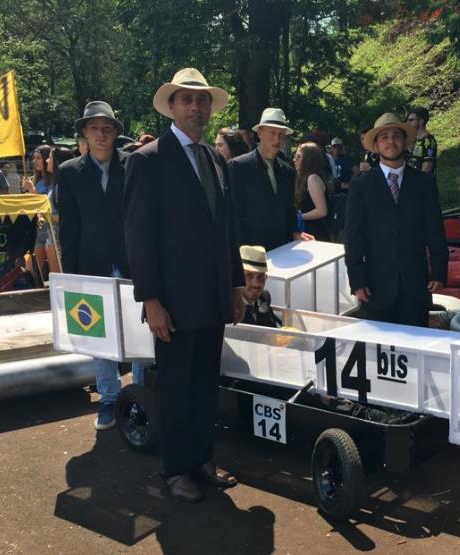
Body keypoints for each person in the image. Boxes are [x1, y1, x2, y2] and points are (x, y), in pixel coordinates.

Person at [124, 67, 244, 504]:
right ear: (171, 107)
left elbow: (225, 230)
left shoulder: (216, 160)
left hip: (213, 297)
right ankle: (175, 469)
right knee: (175, 386)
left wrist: (234, 286)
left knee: (205, 384)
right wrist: (151, 299)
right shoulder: (147, 160)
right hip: (172, 302)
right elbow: (139, 238)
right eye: (187, 100)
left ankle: (202, 460)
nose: (196, 107)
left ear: (210, 108)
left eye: (202, 100)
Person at [58, 100, 144, 431]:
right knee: (99, 334)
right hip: (91, 265)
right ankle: (109, 398)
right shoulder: (70, 173)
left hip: (132, 262)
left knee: (139, 331)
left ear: (115, 133)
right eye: (94, 128)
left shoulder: (134, 165)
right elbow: (69, 227)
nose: (101, 134)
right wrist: (70, 276)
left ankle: (137, 396)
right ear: (84, 133)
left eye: (107, 128)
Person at [344, 113, 448, 327]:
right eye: (384, 137)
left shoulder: (424, 183)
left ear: (405, 142)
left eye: (396, 136)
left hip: (416, 283)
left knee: (415, 348)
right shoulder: (361, 186)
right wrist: (357, 279)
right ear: (376, 144)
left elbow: (435, 229)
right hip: (375, 284)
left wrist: (438, 270)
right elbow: (353, 236)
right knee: (379, 352)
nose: (390, 141)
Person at [229, 108, 312, 251]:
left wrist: (295, 232)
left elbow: (289, 210)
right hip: (251, 254)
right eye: (272, 133)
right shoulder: (239, 166)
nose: (277, 139)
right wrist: (241, 255)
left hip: (282, 250)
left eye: (281, 134)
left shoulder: (288, 171)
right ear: (259, 133)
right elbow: (234, 216)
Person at [24, 145, 53, 282]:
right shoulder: (34, 179)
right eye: (33, 158)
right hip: (37, 229)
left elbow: (45, 204)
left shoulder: (52, 181)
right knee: (32, 269)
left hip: (51, 229)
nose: (35, 162)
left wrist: (31, 189)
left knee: (55, 271)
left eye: (39, 158)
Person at [45, 146, 75, 276]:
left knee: (60, 280)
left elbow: (65, 217)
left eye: (50, 158)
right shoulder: (56, 184)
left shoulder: (61, 187)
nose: (47, 161)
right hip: (53, 237)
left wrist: (46, 215)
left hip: (58, 239)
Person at [293, 142, 330, 241]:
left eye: (298, 157)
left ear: (308, 159)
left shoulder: (312, 178)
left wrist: (298, 217)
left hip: (316, 233)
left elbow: (321, 211)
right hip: (307, 231)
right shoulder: (303, 177)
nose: (294, 160)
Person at [238, 245, 280, 327]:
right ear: (238, 277)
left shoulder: (264, 297)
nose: (256, 283)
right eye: (249, 275)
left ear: (266, 278)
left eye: (261, 276)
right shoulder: (228, 307)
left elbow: (270, 328)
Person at [405, 107, 438, 174]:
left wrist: (418, 181)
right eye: (407, 120)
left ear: (421, 121)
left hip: (423, 182)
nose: (408, 123)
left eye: (411, 120)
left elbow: (428, 166)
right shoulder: (413, 140)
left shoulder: (428, 140)